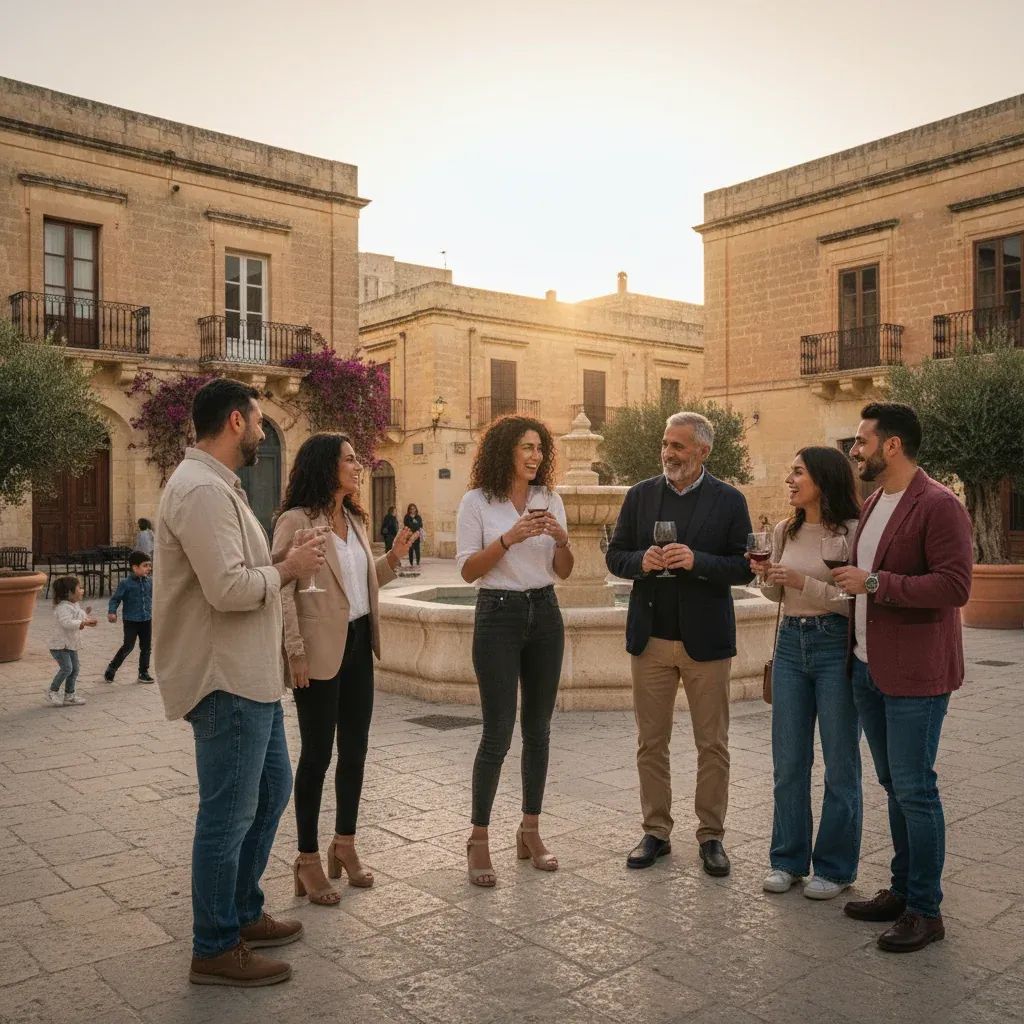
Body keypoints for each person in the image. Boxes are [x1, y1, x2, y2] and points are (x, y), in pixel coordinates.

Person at [153, 377, 325, 987]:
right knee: (227, 815)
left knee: (272, 790)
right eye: (257, 422)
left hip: (251, 677)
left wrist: (284, 562)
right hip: (223, 678)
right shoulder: (200, 491)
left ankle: (242, 910)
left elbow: (239, 571)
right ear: (234, 421)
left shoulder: (217, 486)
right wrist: (289, 568)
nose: (260, 432)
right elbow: (228, 590)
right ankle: (215, 945)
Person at [833, 402, 972, 953]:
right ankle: (900, 889)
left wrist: (873, 584)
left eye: (862, 440)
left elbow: (955, 587)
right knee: (895, 786)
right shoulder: (873, 503)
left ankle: (926, 910)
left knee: (916, 790)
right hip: (869, 668)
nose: (855, 449)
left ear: (891, 445)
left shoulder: (939, 505)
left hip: (917, 674)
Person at [606, 411, 753, 876]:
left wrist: (697, 561)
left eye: (678, 446)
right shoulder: (640, 495)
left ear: (702, 452)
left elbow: (744, 566)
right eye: (666, 445)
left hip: (706, 643)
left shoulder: (730, 500)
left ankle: (711, 836)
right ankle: (656, 831)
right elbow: (615, 555)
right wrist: (641, 562)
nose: (668, 453)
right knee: (651, 742)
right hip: (650, 639)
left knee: (713, 745)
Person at [272, 433, 414, 907]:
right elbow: (284, 588)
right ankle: (308, 859)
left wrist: (392, 559)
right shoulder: (295, 521)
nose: (358, 466)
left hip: (357, 643)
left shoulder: (353, 519)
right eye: (350, 460)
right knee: (316, 757)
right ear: (326, 467)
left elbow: (358, 582)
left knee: (354, 752)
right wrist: (294, 651)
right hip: (316, 649)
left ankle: (345, 844)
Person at [456, 415, 573, 887]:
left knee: (539, 730)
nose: (535, 456)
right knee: (498, 732)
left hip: (545, 612)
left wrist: (561, 538)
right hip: (498, 614)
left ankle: (531, 830)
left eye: (540, 449)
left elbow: (563, 569)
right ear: (505, 449)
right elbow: (467, 571)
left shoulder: (550, 499)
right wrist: (509, 538)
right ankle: (479, 838)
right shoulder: (476, 502)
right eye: (527, 447)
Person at [754, 447, 862, 899]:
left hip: (835, 645)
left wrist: (803, 583)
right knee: (789, 762)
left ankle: (834, 869)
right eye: (789, 472)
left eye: (798, 472)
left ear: (823, 478)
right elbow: (776, 596)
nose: (790, 480)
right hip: (791, 646)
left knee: (840, 764)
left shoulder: (853, 533)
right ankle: (788, 860)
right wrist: (766, 577)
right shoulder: (784, 530)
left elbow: (852, 603)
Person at [104, 550, 154, 684]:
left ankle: (143, 672)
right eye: (145, 565)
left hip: (146, 620)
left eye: (149, 565)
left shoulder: (150, 582)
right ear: (135, 567)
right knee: (128, 646)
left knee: (146, 647)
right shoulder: (125, 583)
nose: (149, 568)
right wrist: (112, 612)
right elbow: (115, 599)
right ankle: (112, 667)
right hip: (131, 620)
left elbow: (155, 598)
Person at [46, 575, 96, 706]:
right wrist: (82, 623)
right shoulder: (63, 607)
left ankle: (69, 695)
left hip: (70, 644)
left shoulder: (74, 605)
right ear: (69, 592)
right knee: (67, 668)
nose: (82, 590)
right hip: (59, 645)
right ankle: (53, 691)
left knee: (75, 669)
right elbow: (66, 622)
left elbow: (79, 616)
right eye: (79, 588)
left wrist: (87, 617)